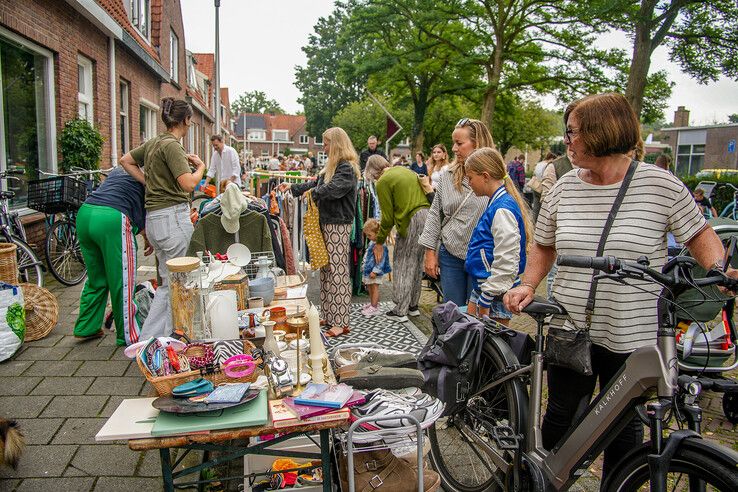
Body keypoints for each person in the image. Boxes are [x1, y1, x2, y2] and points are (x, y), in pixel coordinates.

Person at [503, 92, 733, 480]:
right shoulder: (563, 187)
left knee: (625, 426)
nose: (567, 141)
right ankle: (535, 481)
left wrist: (721, 271)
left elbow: (699, 234)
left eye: (573, 132)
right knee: (561, 413)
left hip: (634, 329)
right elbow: (543, 244)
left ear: (601, 133)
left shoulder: (661, 186)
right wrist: (528, 283)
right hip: (571, 324)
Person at [120, 97, 206, 339]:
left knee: (168, 285)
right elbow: (188, 184)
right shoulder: (172, 145)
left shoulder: (152, 143)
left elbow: (125, 161)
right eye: (190, 122)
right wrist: (201, 167)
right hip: (173, 219)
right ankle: (167, 344)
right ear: (186, 120)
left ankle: (149, 340)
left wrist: (149, 182)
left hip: (154, 219)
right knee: (181, 284)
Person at [278, 127, 359, 337]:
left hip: (338, 224)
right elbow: (318, 184)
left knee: (338, 271)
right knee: (327, 269)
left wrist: (311, 193)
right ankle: (331, 315)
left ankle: (341, 321)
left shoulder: (346, 168)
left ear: (336, 144)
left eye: (325, 143)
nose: (323, 147)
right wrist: (294, 188)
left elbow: (332, 190)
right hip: (327, 222)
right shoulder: (333, 168)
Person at [419, 118, 494, 307]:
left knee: (476, 316)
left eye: (459, 143)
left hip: (483, 257)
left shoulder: (495, 177)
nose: (453, 148)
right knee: (452, 314)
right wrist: (430, 252)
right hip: (450, 254)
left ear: (478, 144)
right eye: (453, 143)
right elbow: (435, 214)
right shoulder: (448, 176)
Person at [73, 167, 153, 344]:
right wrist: (148, 238)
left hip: (86, 214)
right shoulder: (148, 178)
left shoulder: (119, 170)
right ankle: (129, 336)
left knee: (97, 278)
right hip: (112, 219)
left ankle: (86, 327)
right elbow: (144, 215)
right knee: (123, 281)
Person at [464, 147, 531, 324]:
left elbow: (507, 255)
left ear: (485, 176)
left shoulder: (502, 209)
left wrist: (487, 296)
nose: (469, 183)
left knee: (488, 348)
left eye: (470, 178)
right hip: (486, 287)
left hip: (493, 293)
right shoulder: (498, 204)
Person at [364, 155, 430, 322]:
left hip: (409, 220)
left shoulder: (383, 182)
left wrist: (379, 242)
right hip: (426, 217)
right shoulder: (405, 171)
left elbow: (387, 218)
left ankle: (400, 309)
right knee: (416, 263)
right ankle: (413, 306)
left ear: (372, 172)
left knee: (402, 263)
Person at [360, 218, 391, 317]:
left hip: (374, 272)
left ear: (377, 233)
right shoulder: (372, 243)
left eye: (369, 235)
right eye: (367, 235)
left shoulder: (381, 246)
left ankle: (375, 307)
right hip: (369, 270)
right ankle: (373, 304)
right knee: (369, 287)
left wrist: (375, 271)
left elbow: (381, 260)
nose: (368, 237)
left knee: (375, 288)